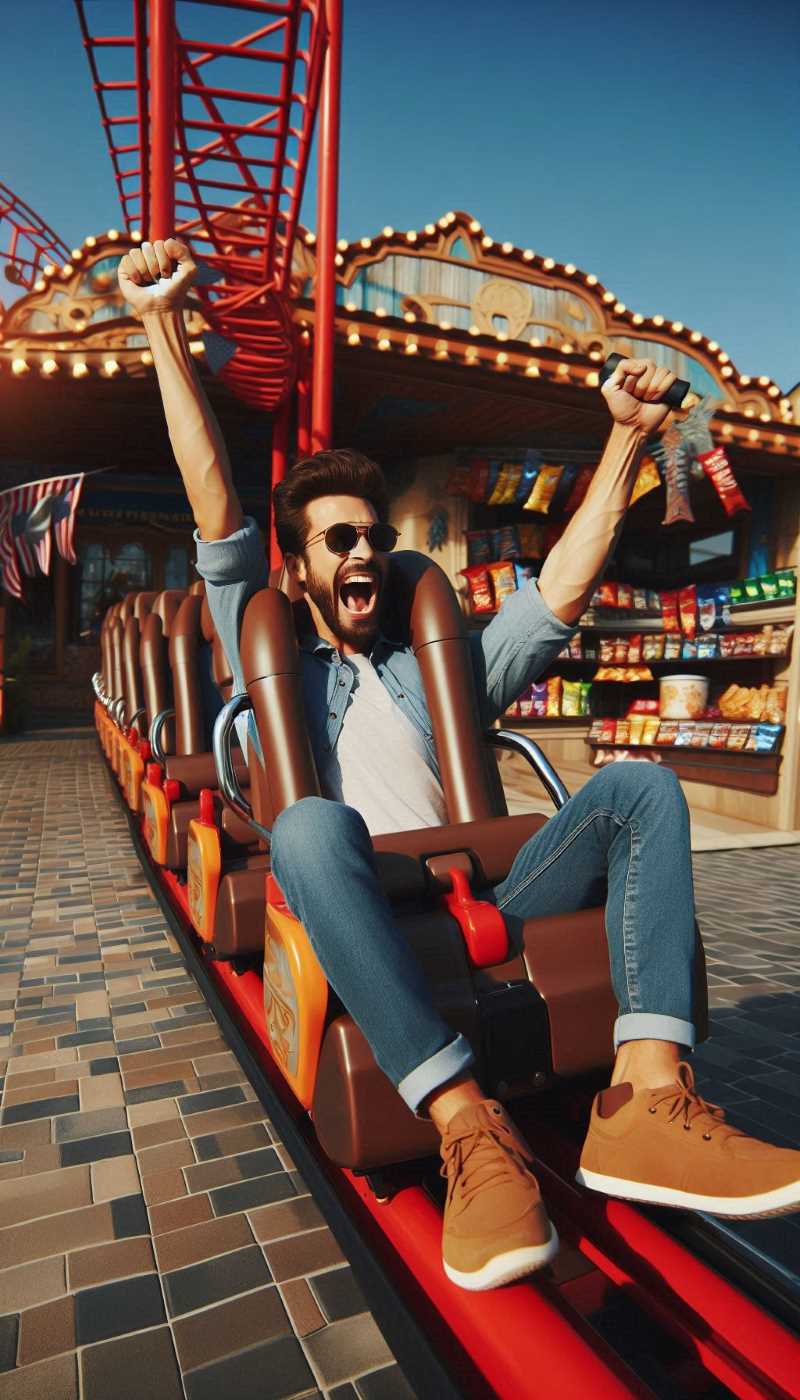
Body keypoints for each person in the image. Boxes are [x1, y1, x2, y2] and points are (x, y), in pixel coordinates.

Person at [120, 237, 800, 1293]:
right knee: (304, 825)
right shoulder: (280, 670)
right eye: (334, 539)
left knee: (639, 785)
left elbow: (559, 593)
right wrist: (164, 328)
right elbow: (216, 517)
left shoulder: (435, 668)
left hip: (485, 883)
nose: (359, 554)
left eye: (370, 536)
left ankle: (646, 1098)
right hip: (366, 898)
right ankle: (462, 1121)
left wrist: (622, 441)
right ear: (298, 568)